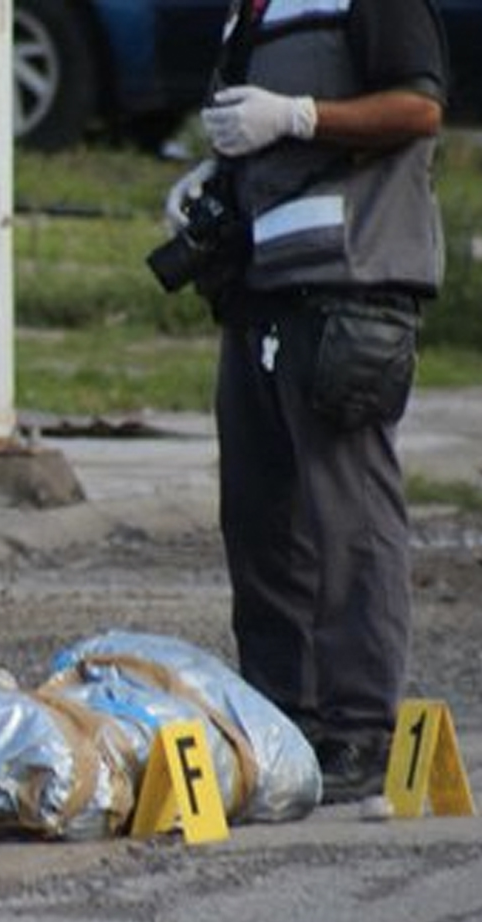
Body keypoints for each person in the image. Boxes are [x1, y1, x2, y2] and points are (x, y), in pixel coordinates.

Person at [163, 0, 447, 803]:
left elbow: (419, 108)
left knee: (347, 516)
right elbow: (260, 141)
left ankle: (360, 730)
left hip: (348, 284)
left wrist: (297, 115)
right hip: (260, 290)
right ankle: (286, 724)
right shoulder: (252, 8)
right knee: (259, 520)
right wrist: (215, 179)